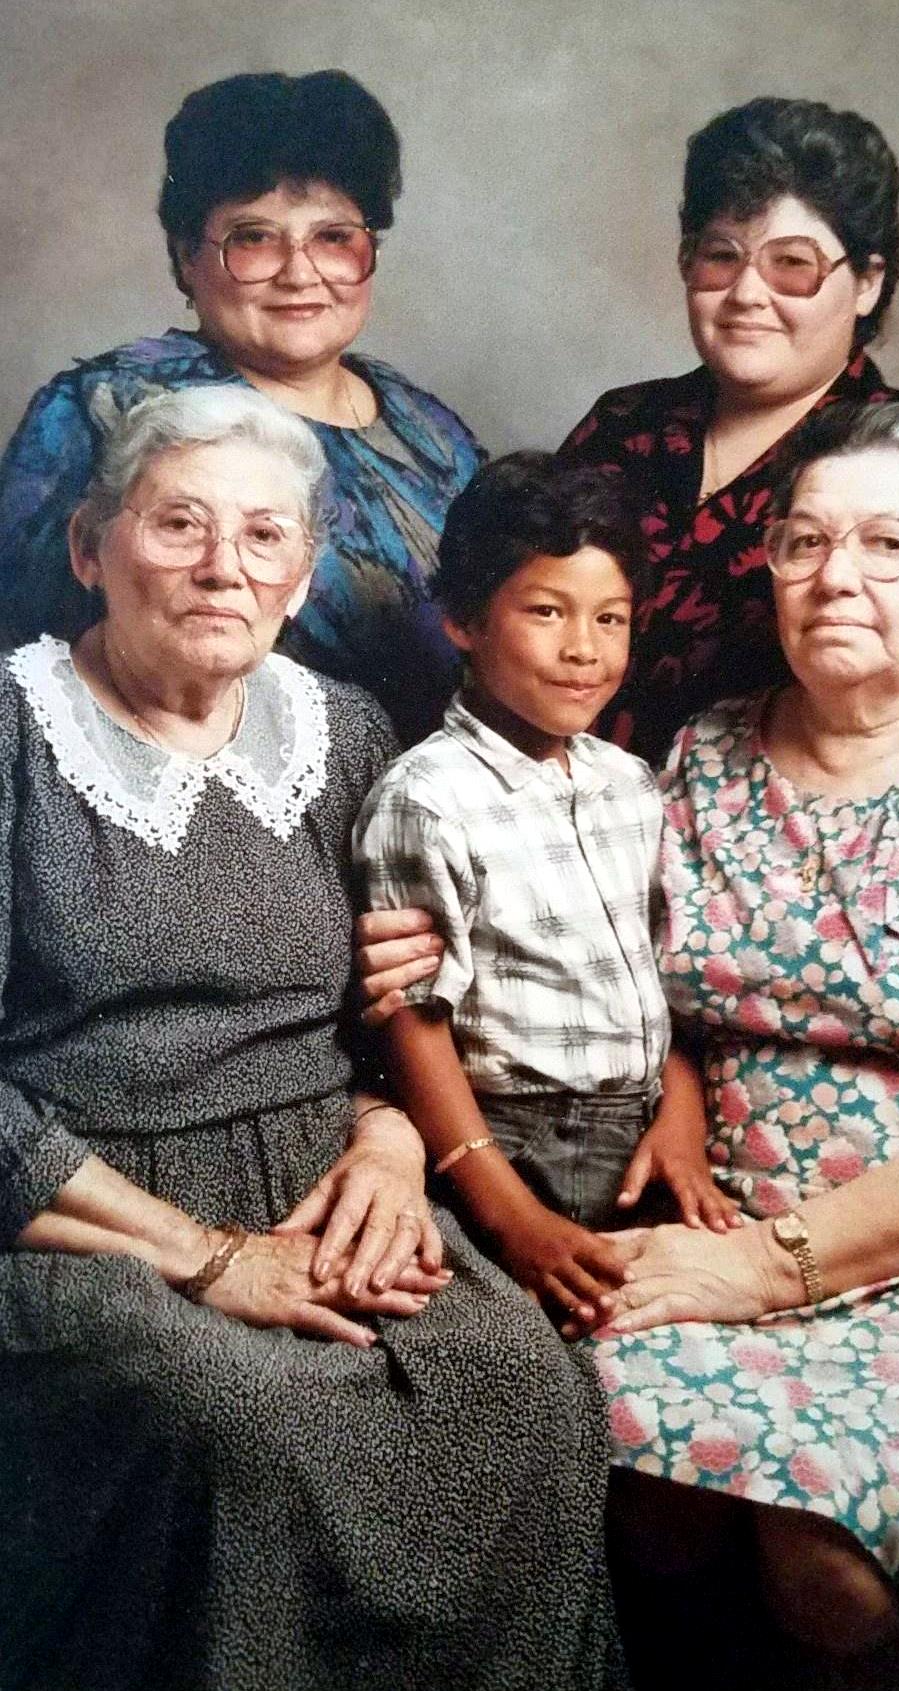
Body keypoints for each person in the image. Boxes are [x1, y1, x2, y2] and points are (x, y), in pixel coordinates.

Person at [0, 386, 627, 1691]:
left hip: (330, 1176)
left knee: (525, 1385)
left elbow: (390, 1012)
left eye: (264, 534)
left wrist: (391, 1151)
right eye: (179, 523)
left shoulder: (341, 729)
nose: (223, 564)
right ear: (89, 548)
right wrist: (207, 1255)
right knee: (242, 1421)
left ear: (297, 576)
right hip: (83, 1207)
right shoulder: (14, 731)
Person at [582, 402, 899, 1687]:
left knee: (819, 1546)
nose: (834, 574)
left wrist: (766, 1267)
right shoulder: (703, 753)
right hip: (715, 1217)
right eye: (802, 542)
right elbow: (654, 996)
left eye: (885, 544)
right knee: (632, 1481)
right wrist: (680, 1107)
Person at [558, 96, 899, 765]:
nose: (747, 294)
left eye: (792, 264)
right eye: (721, 256)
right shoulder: (622, 427)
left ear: (867, 283)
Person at [354, 453, 740, 1324]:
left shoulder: (629, 783)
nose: (584, 650)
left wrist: (680, 1116)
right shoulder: (427, 799)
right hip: (514, 1147)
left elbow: (660, 976)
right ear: (463, 620)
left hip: (644, 1134)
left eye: (611, 618)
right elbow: (413, 1022)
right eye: (546, 611)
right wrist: (511, 1216)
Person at [0, 70, 483, 745]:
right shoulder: (103, 410)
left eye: (334, 237)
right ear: (185, 259)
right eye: (254, 237)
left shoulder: (433, 434)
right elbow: (24, 671)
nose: (300, 272)